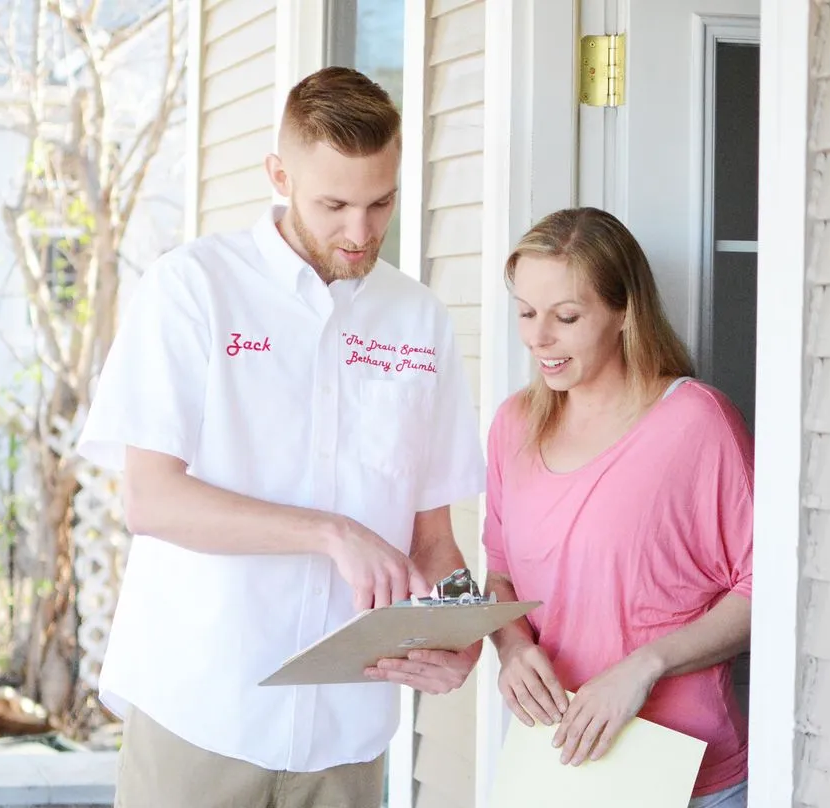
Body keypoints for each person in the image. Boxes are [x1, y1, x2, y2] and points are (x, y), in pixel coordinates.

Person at [76, 66, 485, 808]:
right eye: (333, 204)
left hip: (349, 734)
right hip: (203, 713)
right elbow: (152, 500)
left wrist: (459, 625)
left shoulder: (420, 319)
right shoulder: (193, 288)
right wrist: (329, 532)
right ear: (278, 174)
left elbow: (434, 540)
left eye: (380, 203)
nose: (359, 233)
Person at [482, 207, 753, 808]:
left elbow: (766, 591)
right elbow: (499, 574)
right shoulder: (514, 425)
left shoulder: (696, 423)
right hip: (556, 768)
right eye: (526, 313)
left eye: (566, 317)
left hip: (687, 774)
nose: (537, 337)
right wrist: (513, 647)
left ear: (625, 312)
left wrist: (645, 666)